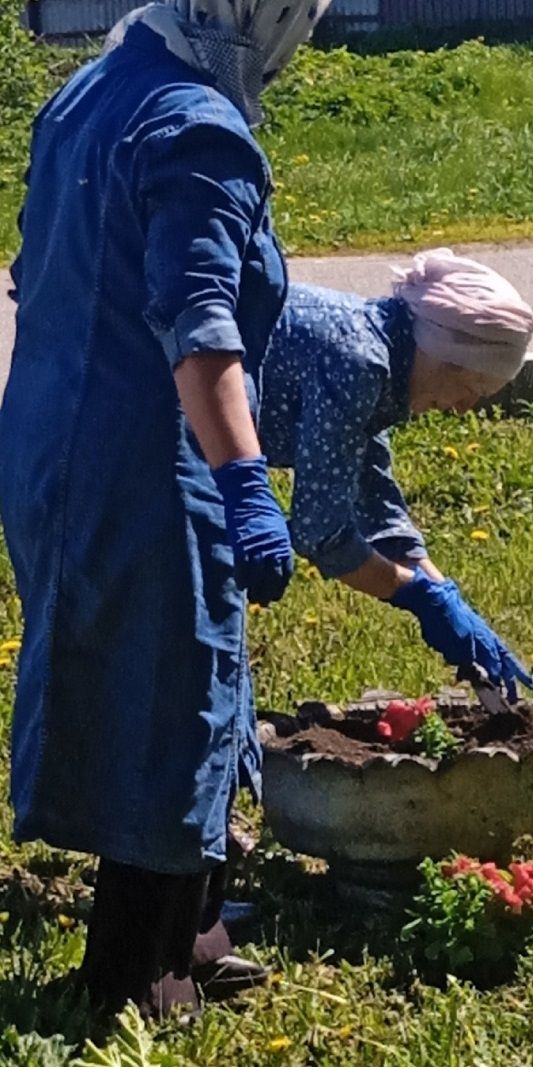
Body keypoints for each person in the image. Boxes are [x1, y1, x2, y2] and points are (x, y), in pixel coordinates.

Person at [0, 0, 329, 1020]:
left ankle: (195, 923)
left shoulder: (91, 91)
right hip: (152, 453)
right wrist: (244, 484)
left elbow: (34, 266)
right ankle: (131, 977)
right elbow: (201, 329)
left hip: (54, 438)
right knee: (168, 695)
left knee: (169, 675)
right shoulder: (197, 128)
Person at [259, 249, 533, 697]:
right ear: (444, 357)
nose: (464, 409)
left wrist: (448, 597)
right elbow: (320, 532)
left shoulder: (389, 355)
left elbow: (379, 509)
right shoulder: (358, 362)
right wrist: (417, 597)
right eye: (472, 389)